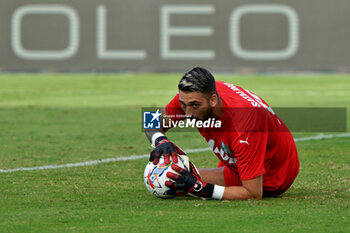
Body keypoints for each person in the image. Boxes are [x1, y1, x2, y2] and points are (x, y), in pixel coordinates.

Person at [145, 67, 299, 200]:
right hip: (238, 162)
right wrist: (160, 140)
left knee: (182, 181)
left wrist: (200, 188)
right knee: (173, 176)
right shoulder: (193, 97)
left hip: (274, 175)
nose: (188, 114)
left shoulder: (243, 128)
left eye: (195, 106)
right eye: (183, 105)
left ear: (213, 100)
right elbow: (150, 121)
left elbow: (253, 193)